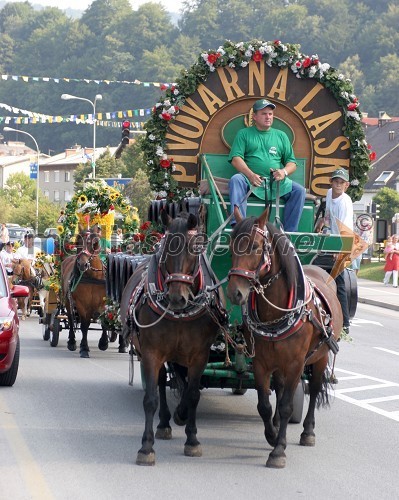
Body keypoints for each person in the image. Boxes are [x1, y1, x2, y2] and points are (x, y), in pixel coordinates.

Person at [228, 99, 306, 231]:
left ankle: (288, 234)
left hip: (275, 182)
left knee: (299, 191)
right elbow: (236, 158)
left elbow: (292, 163)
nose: (268, 117)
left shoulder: (281, 136)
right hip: (251, 180)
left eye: (270, 114)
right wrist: (250, 175)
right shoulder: (244, 134)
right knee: (236, 180)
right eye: (264, 113)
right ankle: (239, 226)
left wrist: (283, 172)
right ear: (254, 116)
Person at [315, 168, 353, 335]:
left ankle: (345, 322)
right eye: (336, 181)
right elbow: (329, 214)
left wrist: (339, 248)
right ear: (331, 182)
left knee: (339, 281)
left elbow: (344, 228)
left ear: (347, 185)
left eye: (341, 183)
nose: (338, 185)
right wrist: (322, 222)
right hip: (331, 239)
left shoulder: (345, 202)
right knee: (323, 273)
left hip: (343, 241)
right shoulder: (329, 194)